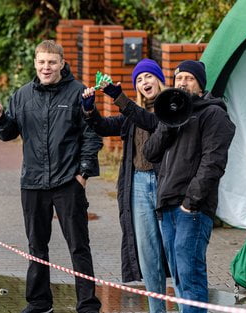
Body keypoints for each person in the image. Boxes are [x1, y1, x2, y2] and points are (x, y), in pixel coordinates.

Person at [0, 40, 103, 313]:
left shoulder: (78, 93)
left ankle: (87, 304)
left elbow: (91, 134)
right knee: (36, 245)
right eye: (41, 62)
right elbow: (7, 133)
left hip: (67, 182)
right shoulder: (22, 95)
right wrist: (0, 117)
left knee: (78, 246)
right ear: (35, 63)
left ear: (62, 63)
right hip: (33, 182)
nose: (46, 67)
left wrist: (83, 174)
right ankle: (39, 302)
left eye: (52, 62)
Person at [143, 60, 236, 313]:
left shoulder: (213, 114)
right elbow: (150, 152)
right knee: (179, 278)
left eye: (189, 78)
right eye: (178, 78)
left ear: (200, 84)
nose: (182, 83)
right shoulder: (173, 114)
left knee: (190, 274)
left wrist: (190, 202)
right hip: (167, 207)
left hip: (191, 210)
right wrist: (168, 122)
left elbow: (213, 163)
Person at [81, 59, 168, 313]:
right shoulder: (131, 115)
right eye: (139, 80)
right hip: (138, 184)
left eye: (149, 77)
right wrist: (89, 110)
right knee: (148, 252)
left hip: (165, 184)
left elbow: (150, 121)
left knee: (173, 251)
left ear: (159, 80)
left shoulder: (170, 109)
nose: (144, 83)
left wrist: (118, 97)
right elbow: (102, 126)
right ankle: (157, 310)